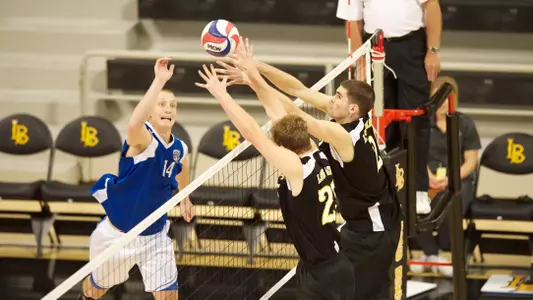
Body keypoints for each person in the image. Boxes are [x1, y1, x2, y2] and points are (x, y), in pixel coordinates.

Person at [218, 37, 401, 300]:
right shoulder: (356, 115)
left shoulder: (342, 135)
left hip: (374, 230)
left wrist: (254, 80)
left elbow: (294, 114)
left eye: (337, 96)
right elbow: (299, 89)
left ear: (352, 109)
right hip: (361, 221)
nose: (331, 100)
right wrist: (255, 66)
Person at [196, 61, 355, 299]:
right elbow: (278, 113)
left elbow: (252, 133)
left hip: (323, 275)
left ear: (283, 147)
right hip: (338, 263)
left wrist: (222, 95)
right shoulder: (317, 151)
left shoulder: (296, 169)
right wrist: (254, 81)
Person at [79, 57, 195, 300]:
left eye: (173, 105)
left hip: (154, 236)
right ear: (151, 113)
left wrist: (185, 196)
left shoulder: (179, 147)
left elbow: (182, 162)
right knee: (94, 292)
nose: (168, 109)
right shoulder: (143, 139)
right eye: (161, 104)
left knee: (169, 297)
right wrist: (159, 80)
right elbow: (134, 122)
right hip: (117, 236)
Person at [336, 0, 444, 215]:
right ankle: (381, 187)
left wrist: (433, 50)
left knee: (416, 117)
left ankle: (418, 189)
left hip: (411, 46)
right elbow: (353, 19)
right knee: (375, 122)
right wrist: (359, 60)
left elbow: (432, 6)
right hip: (373, 46)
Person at [411, 76, 481, 276]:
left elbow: (471, 161)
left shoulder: (465, 124)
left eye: (446, 98)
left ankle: (435, 251)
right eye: (437, 98)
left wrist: (451, 179)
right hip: (427, 176)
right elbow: (415, 154)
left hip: (456, 178)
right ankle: (431, 253)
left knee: (456, 197)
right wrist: (428, 176)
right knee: (414, 198)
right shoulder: (422, 124)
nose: (442, 103)